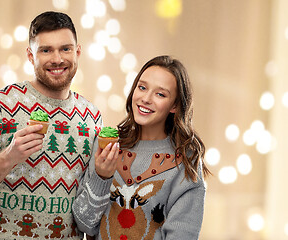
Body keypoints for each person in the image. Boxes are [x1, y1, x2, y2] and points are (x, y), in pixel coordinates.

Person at [0, 11, 103, 239]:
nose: (57, 59)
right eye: (46, 50)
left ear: (77, 52)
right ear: (31, 56)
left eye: (65, 49)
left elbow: (90, 212)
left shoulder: (91, 117)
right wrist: (9, 157)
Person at [72, 55, 211, 240]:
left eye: (160, 94)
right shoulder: (106, 146)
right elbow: (85, 225)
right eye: (142, 87)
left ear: (175, 105)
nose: (146, 98)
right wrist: (101, 177)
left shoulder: (186, 162)